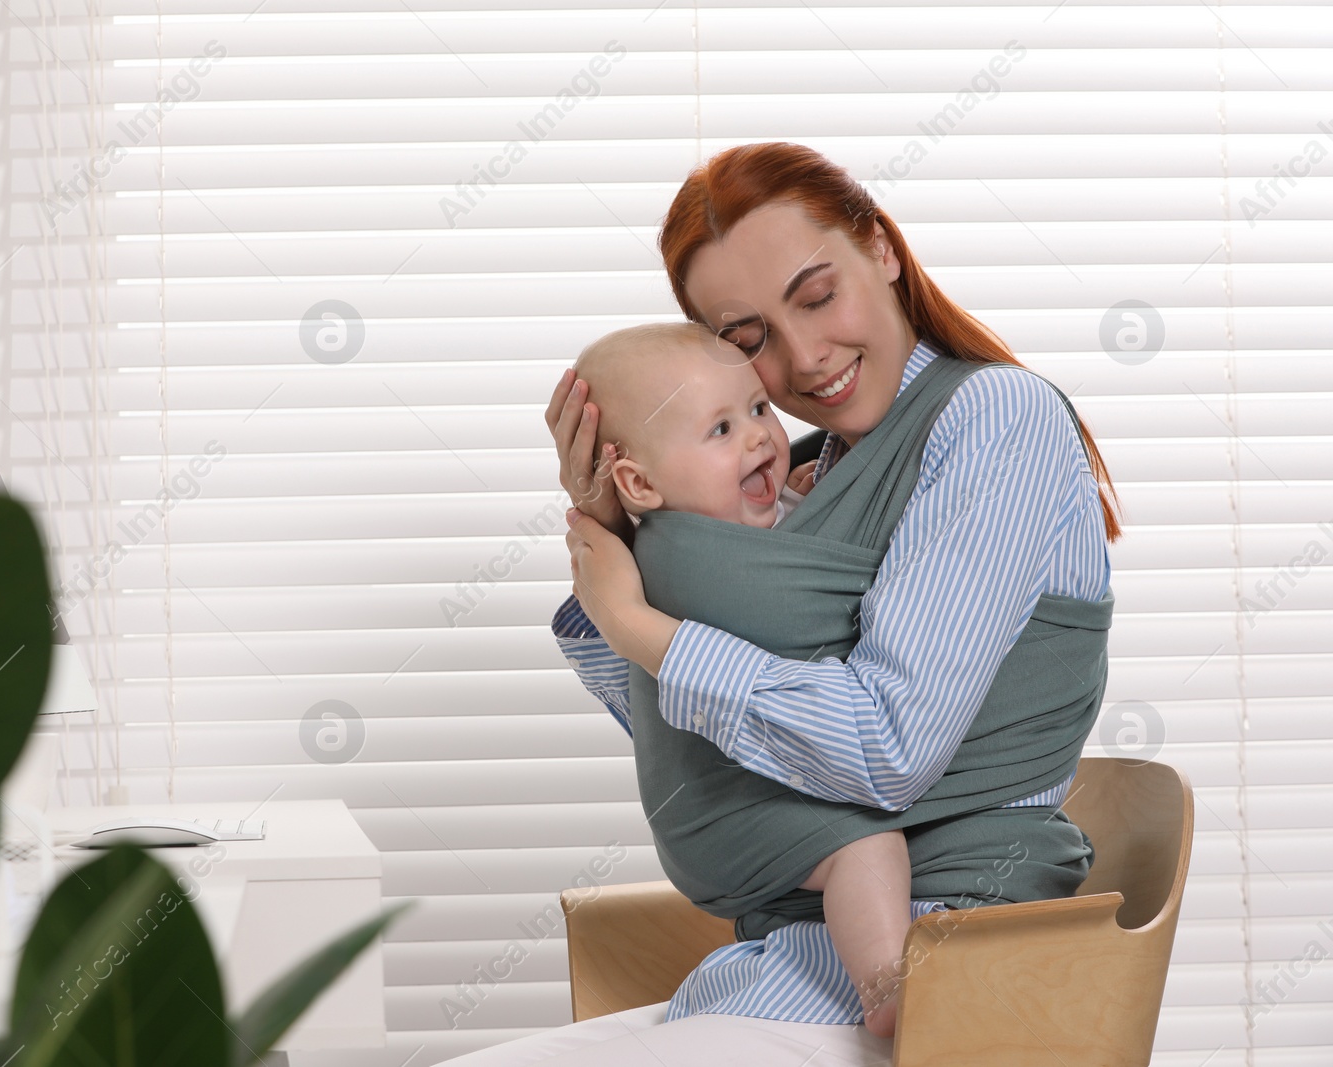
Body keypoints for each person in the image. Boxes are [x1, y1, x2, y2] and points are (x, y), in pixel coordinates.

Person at [451, 141, 1122, 1066]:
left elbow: (888, 752)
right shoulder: (798, 479)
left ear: (881, 248)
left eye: (816, 295)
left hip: (933, 986)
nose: (805, 358)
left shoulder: (996, 419)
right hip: (771, 970)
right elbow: (701, 748)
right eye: (749, 338)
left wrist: (639, 622)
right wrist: (622, 531)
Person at [557, 319, 915, 1036]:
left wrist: (812, 497)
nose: (758, 436)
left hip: (757, 791)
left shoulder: (765, 510)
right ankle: (889, 988)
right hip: (718, 809)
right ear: (638, 483)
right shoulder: (677, 558)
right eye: (720, 429)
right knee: (866, 845)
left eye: (758, 409)